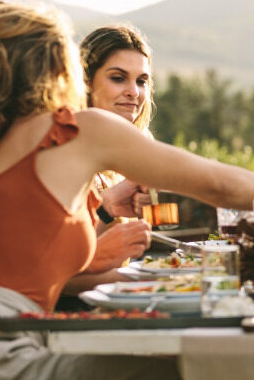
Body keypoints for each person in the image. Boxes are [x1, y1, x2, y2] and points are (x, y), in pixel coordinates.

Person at [0, 0, 254, 379]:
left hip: (28, 336)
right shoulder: (76, 131)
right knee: (203, 370)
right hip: (12, 349)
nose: (132, 92)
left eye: (141, 80)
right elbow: (217, 183)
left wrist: (103, 216)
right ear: (60, 69)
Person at [59, 25, 158, 301]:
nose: (134, 92)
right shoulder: (64, 150)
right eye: (118, 78)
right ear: (86, 81)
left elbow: (96, 252)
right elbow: (57, 274)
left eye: (141, 81)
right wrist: (153, 279)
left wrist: (111, 210)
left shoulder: (124, 155)